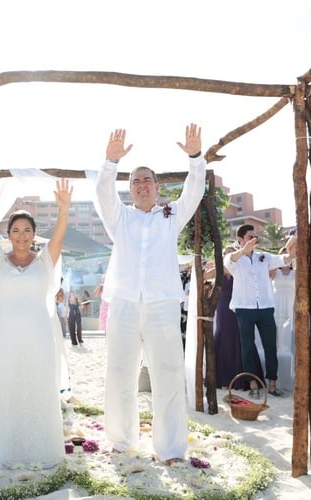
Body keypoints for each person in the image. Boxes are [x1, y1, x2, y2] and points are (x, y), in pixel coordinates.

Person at [95, 124, 205, 465]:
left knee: (168, 374)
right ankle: (122, 441)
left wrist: (196, 157)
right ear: (129, 190)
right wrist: (110, 163)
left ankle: (170, 449)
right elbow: (102, 194)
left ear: (158, 188)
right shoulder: (120, 218)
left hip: (162, 304)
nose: (142, 185)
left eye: (147, 180)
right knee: (119, 372)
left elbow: (194, 192)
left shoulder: (170, 218)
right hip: (125, 303)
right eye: (136, 181)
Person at [0, 174, 72, 469]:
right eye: (15, 230)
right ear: (9, 235)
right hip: (5, 337)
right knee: (8, 387)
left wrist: (63, 209)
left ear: (33, 234)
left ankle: (43, 448)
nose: (21, 235)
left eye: (27, 230)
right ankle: (7, 447)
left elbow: (58, 238)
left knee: (39, 386)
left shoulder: (44, 261)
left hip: (40, 336)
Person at [224, 224, 296, 398]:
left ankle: (272, 384)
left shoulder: (264, 257)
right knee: (247, 348)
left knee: (271, 346)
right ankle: (253, 385)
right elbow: (229, 261)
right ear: (240, 239)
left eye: (255, 237)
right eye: (250, 237)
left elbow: (286, 259)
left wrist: (293, 248)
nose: (254, 240)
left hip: (265, 308)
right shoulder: (233, 258)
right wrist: (243, 250)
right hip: (244, 309)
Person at [209, 246, 263, 390]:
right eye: (225, 253)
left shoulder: (241, 270)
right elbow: (202, 276)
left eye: (230, 253)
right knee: (224, 337)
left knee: (241, 338)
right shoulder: (218, 271)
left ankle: (245, 379)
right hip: (222, 308)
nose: (228, 256)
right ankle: (224, 379)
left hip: (239, 307)